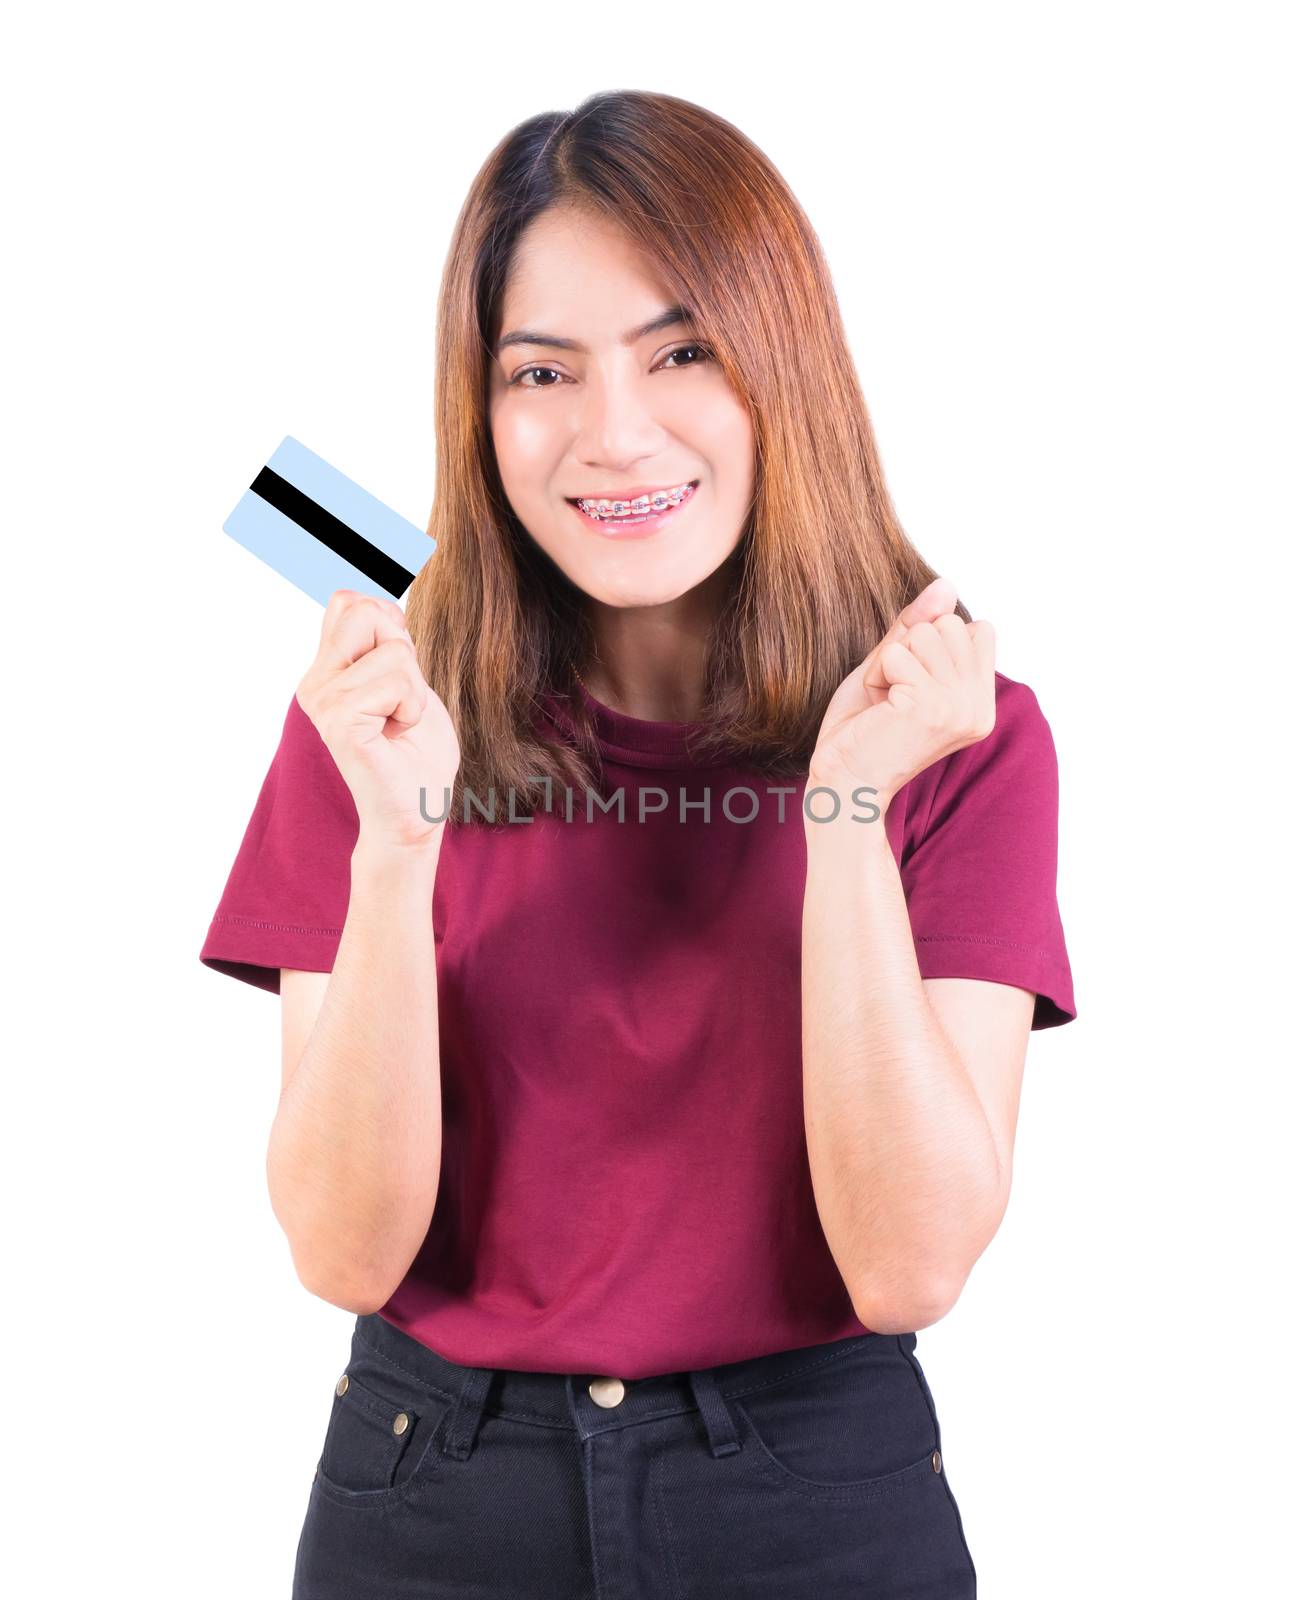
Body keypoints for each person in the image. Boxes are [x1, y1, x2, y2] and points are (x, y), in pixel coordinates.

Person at [200, 89, 1076, 1600]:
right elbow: (343, 1257)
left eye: (684, 353)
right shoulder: (378, 728)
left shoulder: (957, 736)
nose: (614, 436)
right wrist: (398, 851)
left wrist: (849, 817)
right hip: (430, 1489)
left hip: (814, 1491)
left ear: (783, 370)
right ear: (481, 413)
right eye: (543, 371)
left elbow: (911, 1269)